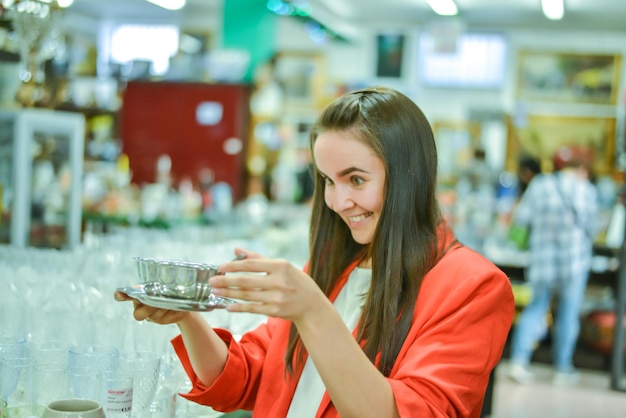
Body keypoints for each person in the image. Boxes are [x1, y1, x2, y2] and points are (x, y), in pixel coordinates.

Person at [115, 87, 515, 417]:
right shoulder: (336, 266)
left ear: (411, 177)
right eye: (327, 180)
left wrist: (313, 311)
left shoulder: (473, 287)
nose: (338, 202)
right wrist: (188, 316)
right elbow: (246, 379)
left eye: (356, 179)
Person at [508, 145, 598, 386]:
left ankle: (519, 361)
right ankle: (562, 367)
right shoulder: (586, 190)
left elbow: (521, 220)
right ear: (581, 168)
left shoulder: (540, 185)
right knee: (568, 313)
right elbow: (593, 228)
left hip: (542, 259)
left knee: (536, 308)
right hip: (575, 262)